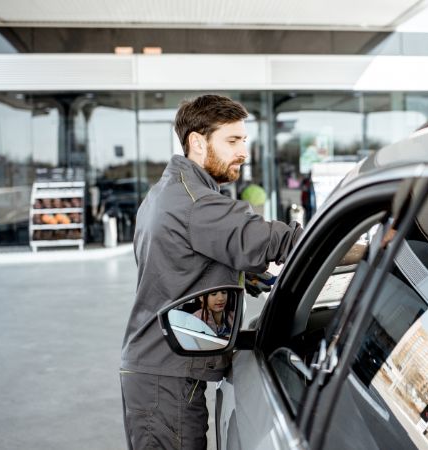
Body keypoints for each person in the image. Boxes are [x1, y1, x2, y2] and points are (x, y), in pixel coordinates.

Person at [120, 94, 303, 450]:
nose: (243, 152)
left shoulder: (168, 192)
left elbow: (177, 263)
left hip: (158, 370)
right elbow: (269, 239)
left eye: (244, 141)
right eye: (232, 141)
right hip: (166, 379)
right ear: (197, 142)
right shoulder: (196, 201)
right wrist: (359, 245)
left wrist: (238, 275)